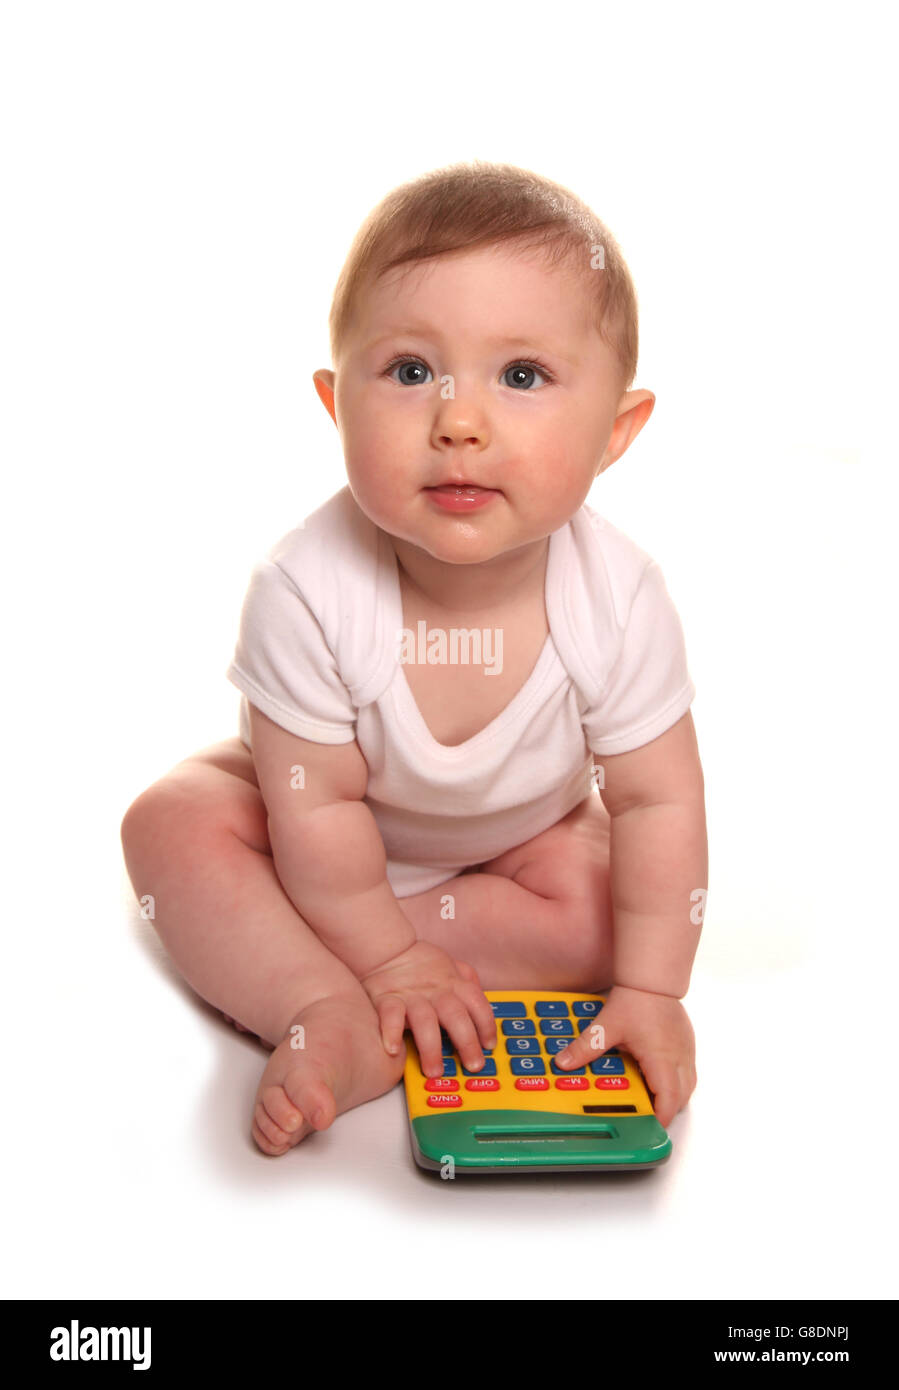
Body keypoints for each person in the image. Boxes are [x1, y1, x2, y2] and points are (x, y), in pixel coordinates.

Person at [121, 160, 708, 1157]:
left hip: (520, 840)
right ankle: (320, 1003)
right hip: (313, 829)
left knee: (605, 908)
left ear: (615, 432)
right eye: (406, 371)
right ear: (335, 402)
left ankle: (329, 957)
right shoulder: (307, 588)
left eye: (520, 377)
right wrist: (386, 958)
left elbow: (658, 801)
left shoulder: (618, 596)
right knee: (171, 827)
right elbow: (313, 805)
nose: (459, 422)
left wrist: (651, 989)